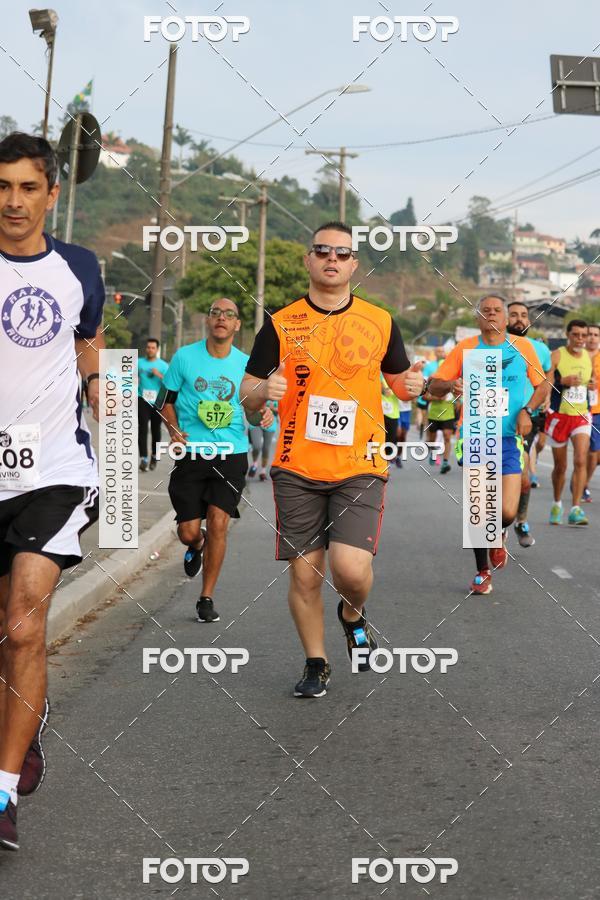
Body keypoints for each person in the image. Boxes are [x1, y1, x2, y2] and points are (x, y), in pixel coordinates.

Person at [241, 221, 423, 697]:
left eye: (342, 254)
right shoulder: (280, 324)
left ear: (354, 264)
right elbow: (247, 394)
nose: (332, 260)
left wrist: (420, 387)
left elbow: (401, 385)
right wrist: (263, 391)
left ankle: (352, 613)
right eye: (323, 251)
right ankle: (316, 662)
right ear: (309, 259)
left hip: (359, 464)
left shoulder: (380, 321)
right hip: (296, 466)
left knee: (350, 570)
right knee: (305, 573)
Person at [0, 133, 104, 850]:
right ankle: (22, 720)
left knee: (24, 622)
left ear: (51, 194)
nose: (12, 201)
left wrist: (101, 392)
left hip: (56, 471)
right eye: (2, 186)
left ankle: (1, 792)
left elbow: (87, 340)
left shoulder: (80, 268)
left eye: (27, 187)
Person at [157, 298, 272, 624]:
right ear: (208, 320)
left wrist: (259, 412)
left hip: (230, 455)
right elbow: (165, 400)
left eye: (230, 314)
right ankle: (197, 543)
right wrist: (173, 428)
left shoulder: (247, 366)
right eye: (216, 312)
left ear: (237, 325)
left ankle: (206, 596)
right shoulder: (184, 357)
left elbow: (251, 411)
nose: (222, 318)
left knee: (220, 522)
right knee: (188, 531)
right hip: (193, 454)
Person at [429, 294, 548, 595]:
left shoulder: (522, 347)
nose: (492, 315)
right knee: (479, 508)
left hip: (509, 437)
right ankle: (482, 571)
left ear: (506, 318)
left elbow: (543, 383)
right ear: (477, 319)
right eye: (486, 311)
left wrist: (528, 411)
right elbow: (434, 386)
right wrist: (451, 385)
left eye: (497, 311)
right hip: (474, 434)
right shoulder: (465, 348)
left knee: (506, 512)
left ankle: (499, 534)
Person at [506, 302, 552, 547]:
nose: (519, 319)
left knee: (522, 474)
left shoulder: (540, 349)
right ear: (504, 318)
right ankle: (497, 525)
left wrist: (543, 399)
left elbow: (546, 376)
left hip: (527, 417)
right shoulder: (491, 345)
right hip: (494, 418)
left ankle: (520, 519)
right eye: (514, 315)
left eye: (524, 316)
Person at [546, 320, 592, 526]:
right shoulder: (556, 355)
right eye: (576, 335)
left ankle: (575, 508)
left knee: (581, 459)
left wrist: (592, 385)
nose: (580, 339)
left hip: (581, 414)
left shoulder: (590, 356)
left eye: (584, 335)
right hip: (559, 416)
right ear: (568, 335)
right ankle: (557, 503)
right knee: (561, 466)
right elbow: (543, 383)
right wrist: (560, 382)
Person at [138, 338, 168, 471]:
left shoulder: (163, 366)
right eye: (148, 347)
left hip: (157, 401)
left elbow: (169, 384)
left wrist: (159, 375)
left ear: (157, 349)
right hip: (142, 399)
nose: (150, 350)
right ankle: (144, 458)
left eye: (153, 348)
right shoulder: (139, 363)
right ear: (146, 349)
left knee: (156, 430)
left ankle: (154, 456)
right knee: (142, 428)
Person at [423, 348, 456, 474]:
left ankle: (445, 462)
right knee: (432, 437)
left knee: (447, 436)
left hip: (448, 413)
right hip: (434, 413)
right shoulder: (433, 381)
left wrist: (458, 400)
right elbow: (425, 396)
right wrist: (437, 397)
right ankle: (432, 452)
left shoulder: (453, 381)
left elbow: (459, 395)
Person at [583, 323, 600, 502]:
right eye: (589, 334)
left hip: (597, 410)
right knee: (582, 452)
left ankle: (584, 483)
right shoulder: (578, 356)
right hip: (578, 409)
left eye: (596, 335)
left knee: (595, 453)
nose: (592, 338)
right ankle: (580, 485)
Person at [248, 400, 278, 481]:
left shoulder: (277, 394)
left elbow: (282, 410)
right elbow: (249, 403)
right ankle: (254, 464)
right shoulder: (258, 389)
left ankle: (263, 471)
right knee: (256, 446)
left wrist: (273, 409)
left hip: (270, 424)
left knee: (266, 449)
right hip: (255, 423)